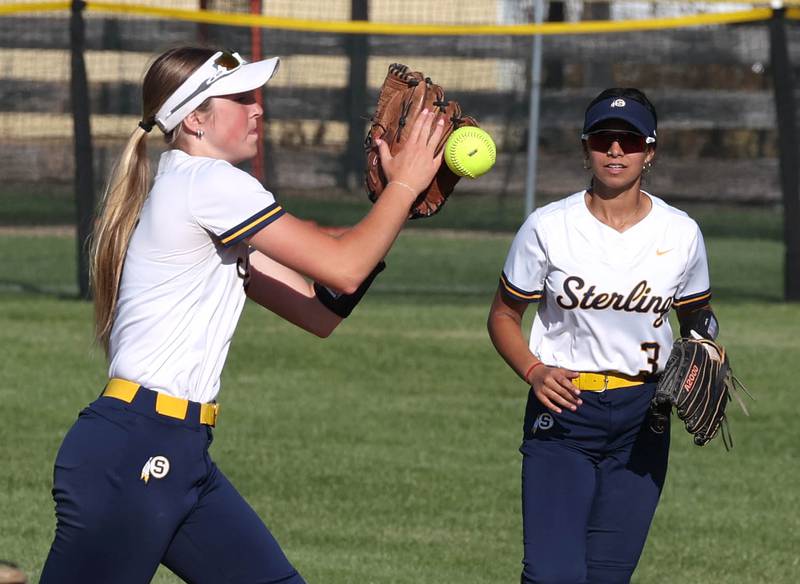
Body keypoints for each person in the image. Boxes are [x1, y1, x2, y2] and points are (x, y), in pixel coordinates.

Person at [41, 46, 446, 583]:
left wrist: (394, 210)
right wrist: (401, 187)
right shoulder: (209, 183)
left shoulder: (198, 195)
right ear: (194, 119)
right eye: (238, 99)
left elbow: (322, 308)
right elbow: (345, 267)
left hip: (176, 453)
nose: (257, 109)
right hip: (136, 451)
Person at [487, 88, 718, 583]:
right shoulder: (549, 226)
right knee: (552, 575)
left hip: (644, 419)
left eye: (630, 140)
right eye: (604, 139)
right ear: (585, 147)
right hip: (565, 410)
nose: (616, 150)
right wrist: (534, 369)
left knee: (606, 578)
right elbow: (504, 316)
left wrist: (707, 353)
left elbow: (698, 318)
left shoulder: (680, 233)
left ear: (650, 151)